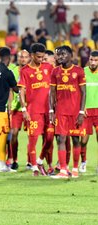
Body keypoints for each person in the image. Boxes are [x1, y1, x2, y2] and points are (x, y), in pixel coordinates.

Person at [49, 45, 86, 179]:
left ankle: (75, 168)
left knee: (76, 140)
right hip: (61, 112)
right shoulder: (55, 72)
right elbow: (52, 92)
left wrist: (81, 112)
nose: (60, 57)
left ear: (71, 55)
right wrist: (51, 109)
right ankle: (63, 170)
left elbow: (83, 92)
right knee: (61, 139)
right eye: (58, 55)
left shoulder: (79, 71)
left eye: (63, 54)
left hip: (75, 112)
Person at [18, 43, 54, 176]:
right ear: (32, 55)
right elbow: (21, 91)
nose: (41, 59)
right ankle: (34, 166)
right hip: (33, 111)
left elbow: (54, 87)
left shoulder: (48, 67)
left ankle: (40, 160)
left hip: (48, 110)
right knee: (33, 139)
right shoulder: (25, 71)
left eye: (42, 57)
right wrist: (24, 109)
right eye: (38, 57)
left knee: (49, 137)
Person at [8, 50, 30, 170]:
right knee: (14, 133)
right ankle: (14, 160)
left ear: (29, 58)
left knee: (30, 135)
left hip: (29, 108)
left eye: (25, 57)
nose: (23, 59)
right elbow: (10, 90)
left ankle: (30, 161)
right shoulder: (13, 71)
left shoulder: (31, 71)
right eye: (21, 57)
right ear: (17, 58)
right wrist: (10, 105)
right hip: (16, 108)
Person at [79, 51, 98, 173]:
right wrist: (82, 108)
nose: (93, 62)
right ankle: (83, 162)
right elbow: (78, 92)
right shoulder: (83, 72)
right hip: (86, 111)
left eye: (96, 60)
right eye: (91, 60)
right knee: (83, 140)